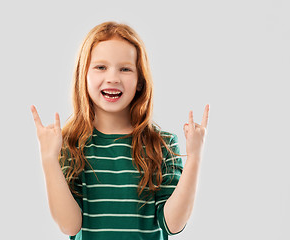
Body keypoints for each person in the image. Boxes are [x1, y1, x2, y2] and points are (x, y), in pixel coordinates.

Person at [30, 21, 209, 240]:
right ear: (83, 76)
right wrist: (49, 159)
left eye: (125, 69)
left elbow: (173, 224)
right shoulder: (70, 144)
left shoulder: (163, 144)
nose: (113, 78)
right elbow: (70, 226)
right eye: (101, 67)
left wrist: (195, 158)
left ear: (140, 81)